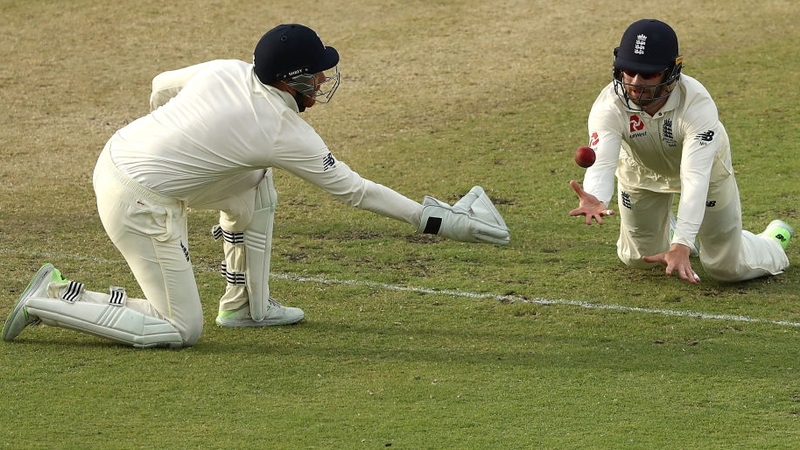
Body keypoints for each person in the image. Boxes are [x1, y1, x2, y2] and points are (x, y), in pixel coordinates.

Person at [2, 24, 509, 348]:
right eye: (315, 74)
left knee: (256, 184)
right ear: (291, 80)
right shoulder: (283, 132)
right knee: (180, 329)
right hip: (137, 199)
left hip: (126, 158)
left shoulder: (228, 70)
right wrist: (440, 222)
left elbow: (160, 82)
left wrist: (170, 139)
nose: (322, 81)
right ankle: (51, 298)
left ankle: (248, 307)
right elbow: (356, 192)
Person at [569, 18, 792, 284]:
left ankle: (772, 243)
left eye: (648, 74)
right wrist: (596, 195)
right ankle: (672, 227)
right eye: (628, 70)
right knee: (637, 258)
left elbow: (695, 178)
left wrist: (682, 244)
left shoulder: (696, 104)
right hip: (640, 171)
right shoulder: (609, 105)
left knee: (724, 267)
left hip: (705, 173)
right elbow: (602, 159)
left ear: (670, 72)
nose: (635, 82)